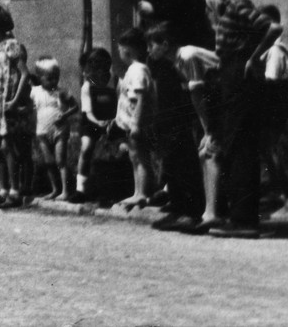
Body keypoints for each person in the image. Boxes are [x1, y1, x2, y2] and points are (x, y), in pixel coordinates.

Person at [202, 0, 280, 238]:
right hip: (231, 73)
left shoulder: (237, 5)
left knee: (240, 146)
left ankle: (244, 220)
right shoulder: (229, 6)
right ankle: (241, 216)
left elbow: (273, 27)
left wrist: (254, 57)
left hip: (239, 74)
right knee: (235, 145)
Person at [144, 21, 210, 233]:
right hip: (184, 117)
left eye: (151, 45)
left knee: (186, 163)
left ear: (164, 44)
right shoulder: (172, 63)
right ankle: (179, 208)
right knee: (173, 162)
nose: (148, 50)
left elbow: (198, 93)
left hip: (207, 112)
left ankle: (192, 213)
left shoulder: (185, 57)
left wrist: (205, 127)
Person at [0, 4, 30, 209]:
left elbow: (24, 75)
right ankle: (2, 189)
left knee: (7, 145)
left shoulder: (12, 45)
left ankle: (15, 190)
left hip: (7, 102)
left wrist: (15, 100)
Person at [257, 4, 288, 202]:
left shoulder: (274, 49)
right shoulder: (272, 47)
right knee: (266, 145)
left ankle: (279, 188)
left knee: (268, 145)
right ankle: (280, 184)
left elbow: (270, 80)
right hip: (278, 95)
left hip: (275, 97)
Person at [113, 28, 154, 210]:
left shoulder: (137, 70)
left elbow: (141, 98)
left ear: (127, 50)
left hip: (136, 123)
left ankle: (143, 193)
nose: (119, 53)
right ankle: (137, 192)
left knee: (141, 157)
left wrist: (136, 123)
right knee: (134, 157)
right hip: (129, 123)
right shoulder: (133, 69)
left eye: (120, 49)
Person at [74, 46, 119, 203]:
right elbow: (88, 112)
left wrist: (114, 121)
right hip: (92, 122)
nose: (93, 73)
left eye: (100, 68)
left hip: (113, 120)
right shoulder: (87, 86)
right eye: (91, 69)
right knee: (86, 148)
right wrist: (99, 123)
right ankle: (80, 189)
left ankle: (113, 188)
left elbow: (120, 103)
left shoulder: (114, 81)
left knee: (119, 150)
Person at [30, 57, 72, 200]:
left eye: (56, 78)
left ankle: (65, 191)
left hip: (59, 130)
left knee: (60, 160)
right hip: (42, 130)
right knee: (49, 162)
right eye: (49, 78)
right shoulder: (35, 92)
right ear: (40, 78)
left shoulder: (62, 91)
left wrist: (65, 115)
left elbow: (75, 107)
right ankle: (55, 189)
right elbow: (30, 107)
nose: (54, 81)